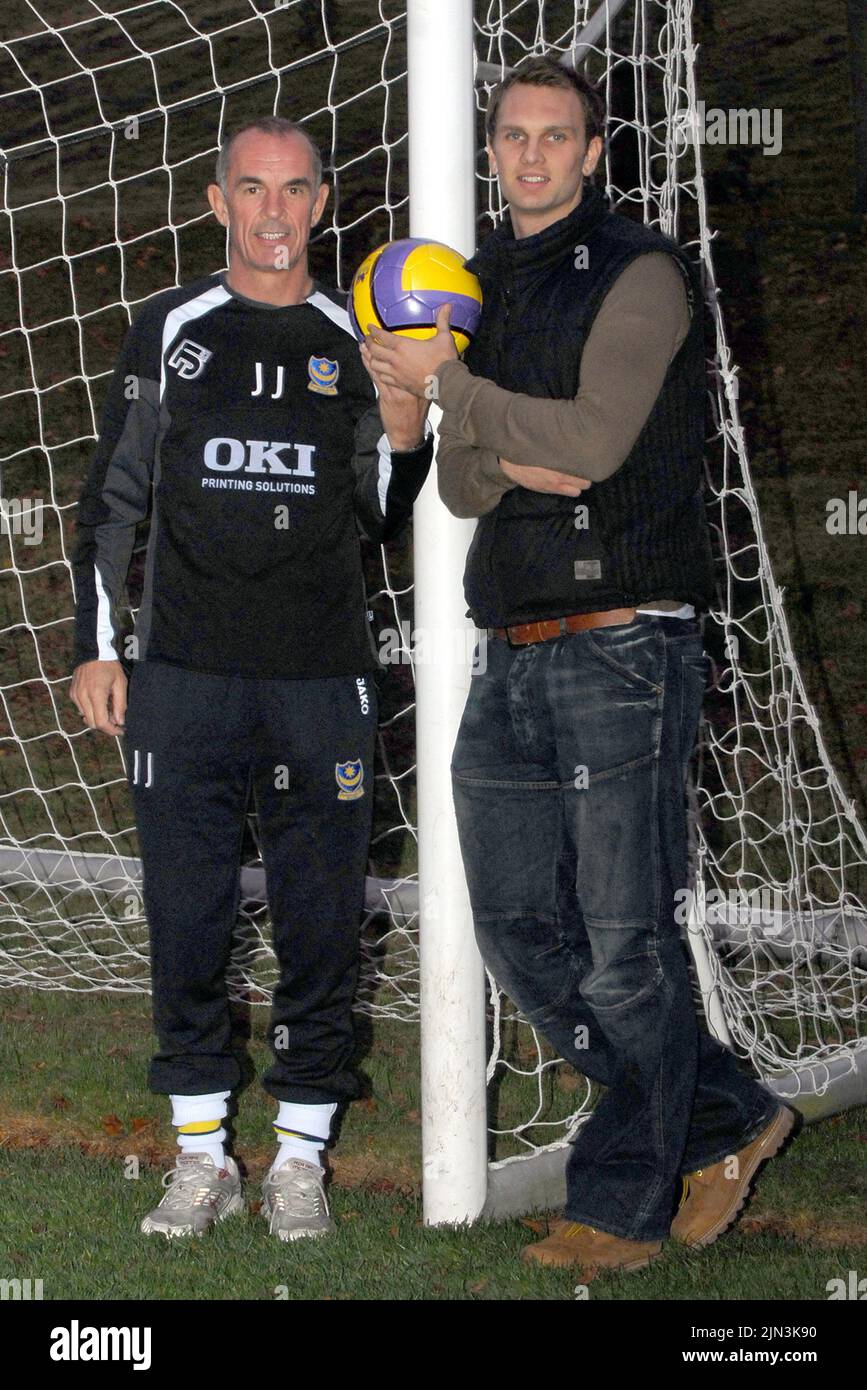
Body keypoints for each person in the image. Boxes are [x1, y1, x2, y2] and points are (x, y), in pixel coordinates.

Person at [363, 57, 795, 1273]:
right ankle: (724, 1113)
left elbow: (594, 445)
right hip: (510, 654)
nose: (536, 157)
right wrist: (505, 434)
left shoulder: (646, 271)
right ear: (492, 151)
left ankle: (621, 1202)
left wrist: (460, 394)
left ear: (596, 150)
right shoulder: (481, 286)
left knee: (621, 940)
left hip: (626, 647)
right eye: (515, 138)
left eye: (560, 137)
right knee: (515, 927)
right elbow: (459, 480)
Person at [70, 116, 432, 1242]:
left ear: (324, 202)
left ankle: (301, 1160)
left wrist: (409, 426)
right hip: (181, 677)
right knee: (187, 914)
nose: (274, 212)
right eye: (251, 189)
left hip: (320, 678)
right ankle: (198, 1155)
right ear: (217, 200)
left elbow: (381, 511)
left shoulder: (357, 336)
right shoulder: (169, 329)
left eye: (294, 190)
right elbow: (110, 501)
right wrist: (97, 644)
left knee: (323, 923)